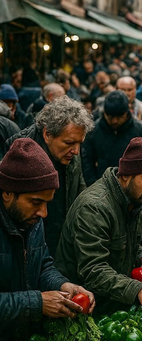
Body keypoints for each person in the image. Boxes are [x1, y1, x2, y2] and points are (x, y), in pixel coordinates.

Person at [56, 137, 142, 324]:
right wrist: (138, 290)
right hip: (82, 310)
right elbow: (93, 269)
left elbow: (124, 241)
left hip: (111, 307)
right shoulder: (95, 207)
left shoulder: (134, 200)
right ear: (126, 175)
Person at [0, 137, 94, 341]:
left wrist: (61, 285)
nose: (43, 213)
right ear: (7, 193)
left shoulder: (30, 220)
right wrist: (37, 303)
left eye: (47, 202)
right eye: (36, 202)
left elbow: (41, 264)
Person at [5, 96, 93, 256]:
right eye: (69, 143)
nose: (76, 151)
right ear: (47, 134)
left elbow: (80, 192)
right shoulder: (19, 155)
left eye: (80, 143)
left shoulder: (72, 155)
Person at [82, 90, 142, 186]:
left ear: (127, 112)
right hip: (102, 188)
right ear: (105, 113)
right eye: (111, 117)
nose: (115, 121)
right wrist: (94, 185)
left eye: (119, 117)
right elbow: (87, 164)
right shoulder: (93, 132)